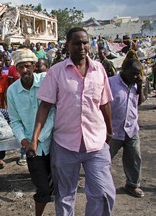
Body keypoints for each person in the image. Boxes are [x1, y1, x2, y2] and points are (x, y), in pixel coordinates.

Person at [28, 27, 116, 215]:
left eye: (85, 42)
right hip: (65, 144)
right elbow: (45, 106)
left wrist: (110, 130)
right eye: (77, 43)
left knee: (103, 193)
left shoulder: (99, 69)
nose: (82, 47)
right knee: (65, 195)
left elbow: (105, 102)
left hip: (96, 143)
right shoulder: (57, 71)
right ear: (68, 45)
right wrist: (35, 137)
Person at [7, 48, 55, 216]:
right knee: (42, 186)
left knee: (60, 183)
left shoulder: (45, 80)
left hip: (53, 142)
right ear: (16, 69)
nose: (24, 70)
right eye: (20, 67)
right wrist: (24, 141)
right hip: (31, 148)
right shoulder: (12, 91)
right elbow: (15, 120)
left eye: (27, 66)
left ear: (34, 66)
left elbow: (53, 113)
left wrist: (39, 138)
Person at [109, 58, 145, 198]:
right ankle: (98, 184)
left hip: (131, 128)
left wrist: (140, 86)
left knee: (134, 157)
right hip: (113, 129)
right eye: (134, 73)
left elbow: (139, 102)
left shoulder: (137, 84)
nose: (136, 76)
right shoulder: (111, 83)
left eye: (138, 73)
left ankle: (132, 185)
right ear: (124, 70)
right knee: (104, 158)